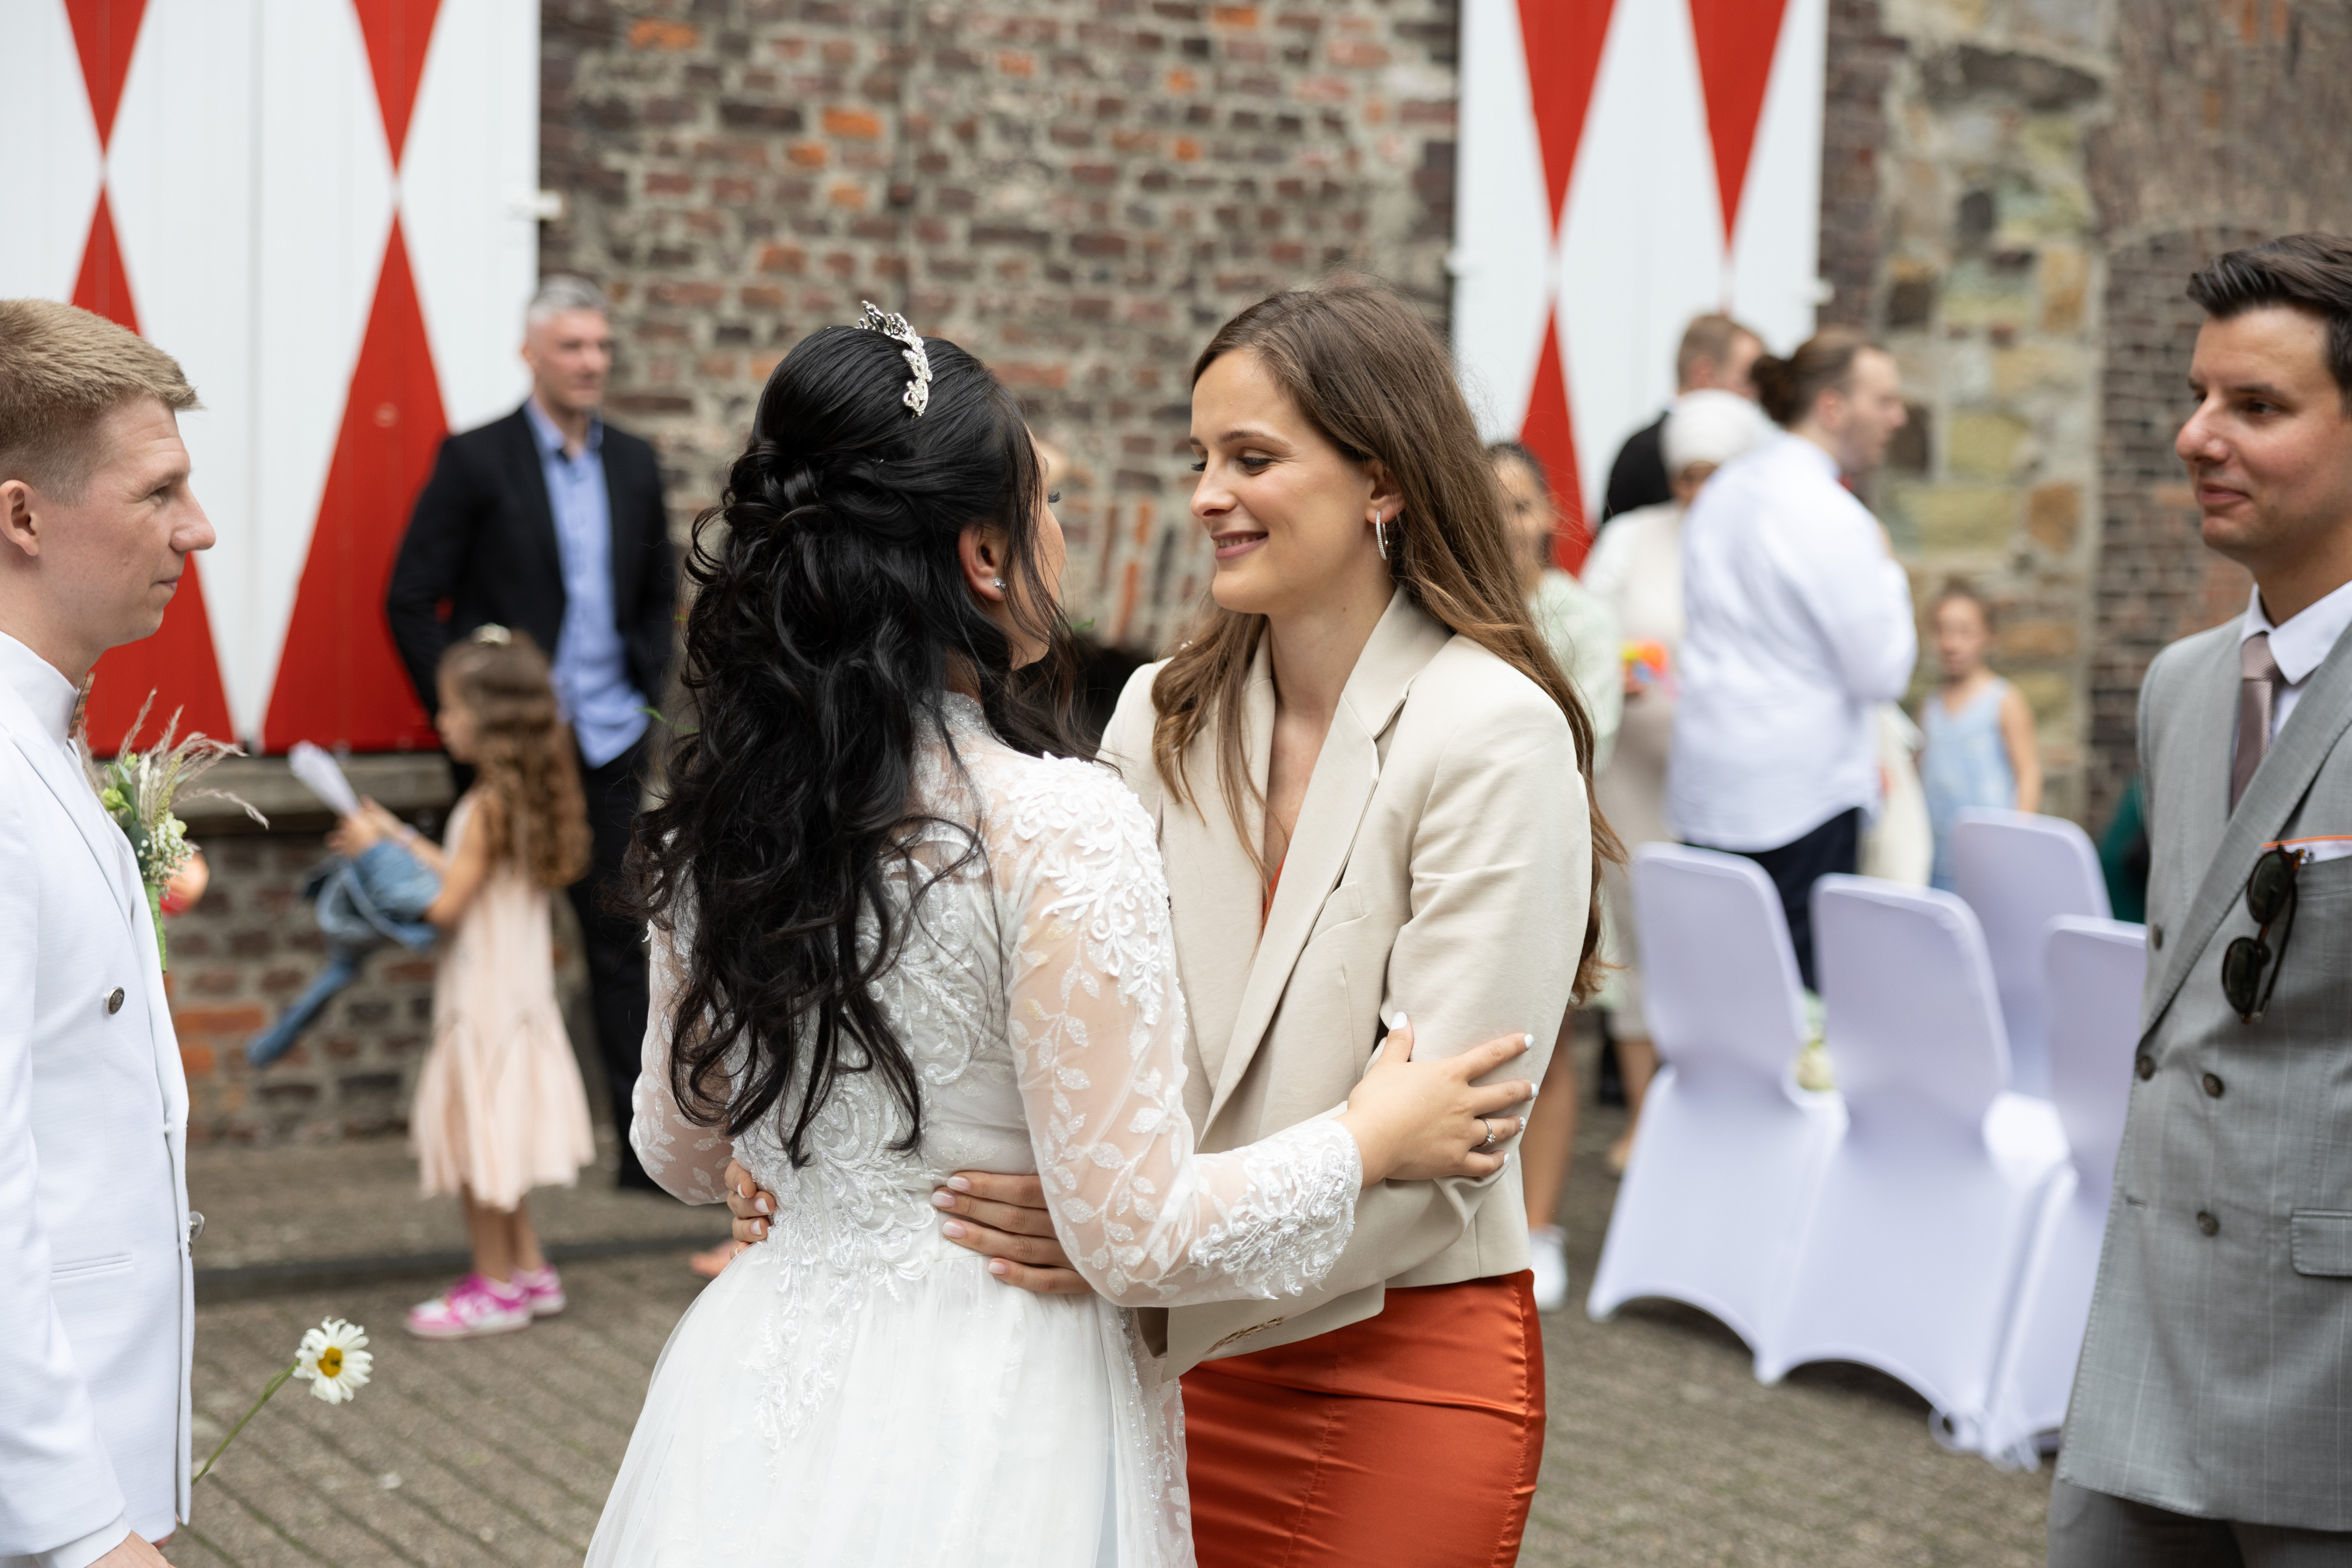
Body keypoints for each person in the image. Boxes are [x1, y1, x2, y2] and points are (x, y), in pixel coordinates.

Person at [586, 309, 1536, 1566]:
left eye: (1247, 459)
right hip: (995, 1386)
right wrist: (1362, 1141)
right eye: (1050, 503)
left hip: (762, 1380)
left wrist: (805, 1171)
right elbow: (1132, 1225)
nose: (1197, 497)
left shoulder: (720, 819)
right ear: (984, 553)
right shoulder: (1066, 806)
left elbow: (675, 1147)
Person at [2052, 233, 2352, 1563]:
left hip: (2325, 1367)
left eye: (2258, 406)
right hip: (2145, 1336)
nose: (2196, 437)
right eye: (2199, 396)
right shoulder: (2179, 687)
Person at [0, 299, 212, 1568]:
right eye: (158, 492)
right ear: (22, 516)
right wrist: (80, 1524)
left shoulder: (48, 736)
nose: (199, 529)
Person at [386, 275, 677, 1193]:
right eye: (572, 346)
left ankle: (641, 1158)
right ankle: (498, 1150)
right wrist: (470, 713)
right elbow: (408, 598)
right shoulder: (476, 459)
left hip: (610, 738)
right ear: (530, 354)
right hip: (516, 755)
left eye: (601, 346)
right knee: (500, 944)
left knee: (621, 942)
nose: (591, 362)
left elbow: (659, 594)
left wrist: (644, 685)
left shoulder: (635, 462)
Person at [332, 628, 599, 1338]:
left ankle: (495, 1286)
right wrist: (398, 836)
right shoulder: (518, 797)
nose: (441, 720)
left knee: (483, 1152)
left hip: (481, 1004)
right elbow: (465, 874)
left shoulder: (484, 808)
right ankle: (530, 1269)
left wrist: (374, 857)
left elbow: (447, 904)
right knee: (500, 1143)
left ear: (491, 717)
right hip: (516, 997)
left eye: (451, 707)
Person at [1668, 328, 1916, 989]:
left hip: (1709, 783)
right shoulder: (1833, 515)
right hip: (1801, 796)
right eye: (1884, 400)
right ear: (1832, 407)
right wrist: (1888, 569)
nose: (1899, 417)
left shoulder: (1724, 492)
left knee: (1721, 993)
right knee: (1801, 1007)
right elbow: (1882, 672)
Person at [1576, 390, 1772, 1184]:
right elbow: (1593, 626)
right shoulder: (1632, 536)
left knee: (1717, 944)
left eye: (1712, 475)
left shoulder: (1765, 544)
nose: (1697, 491)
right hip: (1635, 776)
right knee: (1637, 940)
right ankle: (1645, 1116)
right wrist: (1615, 669)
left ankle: (1719, 1117)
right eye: (1686, 476)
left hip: (1730, 782)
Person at [1489, 438, 1620, 1312]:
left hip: (1551, 843)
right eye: (1488, 504)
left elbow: (1588, 733)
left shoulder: (1581, 620)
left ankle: (1540, 1226)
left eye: (1521, 504)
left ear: (1547, 517)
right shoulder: (1442, 606)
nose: (1506, 523)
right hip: (1461, 842)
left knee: (1553, 1038)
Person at [1917, 582, 2043, 890]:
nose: (1952, 643)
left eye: (1965, 632)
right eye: (1943, 631)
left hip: (1990, 862)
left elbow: (2028, 775)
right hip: (1938, 861)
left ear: (1989, 637)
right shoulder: (1929, 708)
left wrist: (2014, 842)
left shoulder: (2004, 701)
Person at [1601, 312, 1765, 522]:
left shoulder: (1639, 446)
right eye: (1747, 379)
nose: (1755, 395)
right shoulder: (1647, 451)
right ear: (1704, 375)